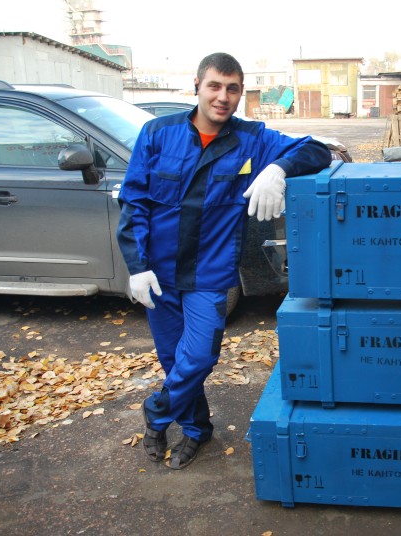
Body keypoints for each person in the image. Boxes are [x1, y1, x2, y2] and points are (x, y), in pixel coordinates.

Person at [117, 52, 331, 469]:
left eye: (232, 89)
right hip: (159, 275)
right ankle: (197, 430)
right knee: (175, 362)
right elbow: (134, 202)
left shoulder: (252, 138)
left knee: (198, 358)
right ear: (197, 86)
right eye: (215, 86)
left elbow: (317, 150)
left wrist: (278, 169)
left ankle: (156, 413)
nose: (223, 97)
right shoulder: (157, 134)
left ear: (240, 93)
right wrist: (137, 267)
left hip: (210, 276)